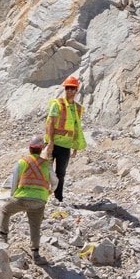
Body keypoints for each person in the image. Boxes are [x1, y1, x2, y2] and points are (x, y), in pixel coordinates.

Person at [0, 135, 57, 263]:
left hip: (21, 198)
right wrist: (49, 192)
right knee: (35, 226)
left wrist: (13, 197)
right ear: (41, 149)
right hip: (39, 202)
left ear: (30, 148)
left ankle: (3, 238)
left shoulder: (22, 162)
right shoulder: (46, 164)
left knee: (5, 210)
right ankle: (36, 255)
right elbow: (55, 181)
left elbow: (14, 181)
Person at [45, 75, 86, 203]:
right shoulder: (57, 104)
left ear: (76, 90)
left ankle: (58, 198)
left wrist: (75, 146)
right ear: (65, 89)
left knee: (61, 173)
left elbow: (76, 128)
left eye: (72, 88)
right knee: (47, 170)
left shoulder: (77, 108)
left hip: (65, 145)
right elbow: (51, 123)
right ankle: (43, 196)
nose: (70, 90)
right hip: (53, 143)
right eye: (68, 88)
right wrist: (50, 143)